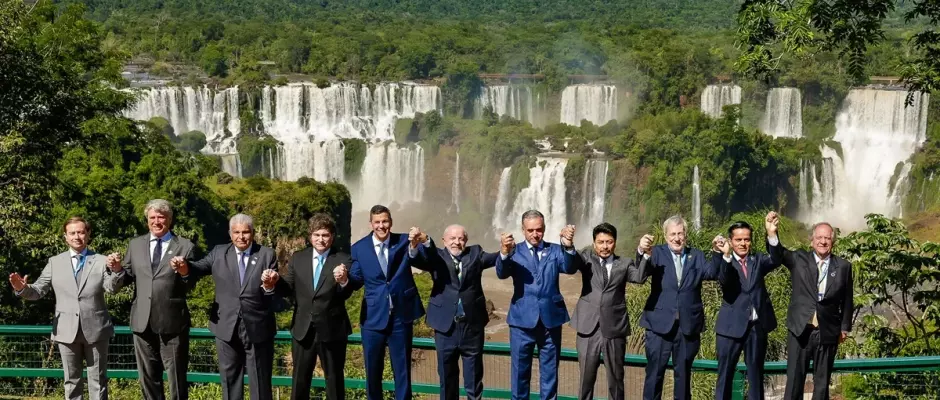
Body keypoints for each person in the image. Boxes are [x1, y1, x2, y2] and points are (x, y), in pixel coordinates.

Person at [171, 214, 280, 400]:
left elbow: (275, 290)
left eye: (245, 232)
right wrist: (184, 267)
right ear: (230, 234)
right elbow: (197, 268)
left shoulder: (266, 254)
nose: (241, 236)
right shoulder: (219, 252)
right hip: (225, 325)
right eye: (236, 232)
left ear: (253, 233)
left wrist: (271, 283)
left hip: (258, 327)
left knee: (261, 383)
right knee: (229, 383)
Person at [9, 217, 119, 400]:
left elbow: (112, 288)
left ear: (88, 234)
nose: (77, 236)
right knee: (71, 381)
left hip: (96, 329)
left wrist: (116, 270)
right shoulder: (55, 262)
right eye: (72, 233)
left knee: (98, 381)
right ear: (65, 237)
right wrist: (21, 289)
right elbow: (37, 291)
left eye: (81, 232)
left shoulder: (101, 260)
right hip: (66, 330)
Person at [107, 199, 197, 400]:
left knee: (176, 378)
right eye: (152, 217)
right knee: (148, 377)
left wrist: (184, 271)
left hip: (173, 322)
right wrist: (117, 269)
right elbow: (127, 277)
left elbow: (191, 283)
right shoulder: (135, 244)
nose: (157, 222)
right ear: (147, 220)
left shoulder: (185, 246)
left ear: (170, 220)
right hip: (142, 320)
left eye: (161, 217)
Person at [411, 224, 512, 400]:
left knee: (474, 380)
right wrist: (423, 241)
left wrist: (504, 249)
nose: (457, 242)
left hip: (472, 327)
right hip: (445, 328)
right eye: (452, 238)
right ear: (444, 241)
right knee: (447, 378)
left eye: (461, 239)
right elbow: (417, 258)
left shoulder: (475, 253)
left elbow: (495, 258)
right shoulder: (436, 257)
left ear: (466, 240)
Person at [275, 213, 361, 400]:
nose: (321, 239)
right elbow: (287, 288)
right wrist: (273, 282)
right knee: (299, 380)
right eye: (317, 235)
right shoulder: (298, 258)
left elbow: (346, 292)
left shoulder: (344, 259)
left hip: (332, 329)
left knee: (335, 380)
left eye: (325, 235)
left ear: (332, 237)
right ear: (310, 236)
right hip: (303, 329)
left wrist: (344, 280)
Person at [768, 213, 854, 400]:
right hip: (800, 329)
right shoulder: (798, 259)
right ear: (811, 240)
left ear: (833, 241)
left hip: (828, 330)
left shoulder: (844, 266)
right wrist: (772, 234)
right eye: (819, 237)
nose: (823, 241)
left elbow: (848, 299)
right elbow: (778, 254)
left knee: (822, 384)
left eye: (827, 238)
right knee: (794, 383)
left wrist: (845, 327)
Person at [345, 205, 427, 400]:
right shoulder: (358, 248)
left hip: (401, 315)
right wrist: (343, 279)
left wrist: (416, 245)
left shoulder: (403, 242)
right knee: (372, 372)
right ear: (371, 224)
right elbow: (355, 281)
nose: (382, 226)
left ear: (391, 221)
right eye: (377, 222)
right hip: (373, 318)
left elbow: (423, 261)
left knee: (403, 371)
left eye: (385, 221)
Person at [635, 215, 721, 400]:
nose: (677, 238)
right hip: (659, 326)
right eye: (672, 234)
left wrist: (716, 252)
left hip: (687, 327)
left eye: (680, 233)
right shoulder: (656, 253)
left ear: (686, 235)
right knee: (654, 375)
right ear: (666, 237)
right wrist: (642, 250)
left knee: (683, 376)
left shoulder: (696, 255)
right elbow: (641, 272)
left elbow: (711, 273)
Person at [495, 209, 577, 400]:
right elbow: (501, 273)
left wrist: (569, 245)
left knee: (550, 375)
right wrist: (504, 253)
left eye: (539, 229)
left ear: (544, 229)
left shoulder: (557, 250)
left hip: (551, 321)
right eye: (530, 230)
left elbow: (571, 268)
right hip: (521, 322)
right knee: (519, 375)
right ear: (523, 230)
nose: (535, 234)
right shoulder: (514, 251)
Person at [570, 222, 646, 400]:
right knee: (585, 380)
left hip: (614, 328)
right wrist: (567, 243)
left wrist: (642, 253)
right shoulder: (586, 258)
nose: (605, 246)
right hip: (588, 328)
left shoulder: (625, 263)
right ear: (594, 243)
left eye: (609, 242)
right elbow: (571, 263)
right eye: (601, 242)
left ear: (615, 243)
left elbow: (640, 277)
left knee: (616, 380)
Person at [713, 213, 783, 400]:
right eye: (738, 240)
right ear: (730, 241)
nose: (743, 243)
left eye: (746, 239)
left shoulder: (758, 260)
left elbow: (776, 259)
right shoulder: (724, 262)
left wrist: (771, 234)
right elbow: (724, 280)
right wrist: (726, 255)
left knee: (756, 378)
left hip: (756, 328)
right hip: (730, 329)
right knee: (725, 377)